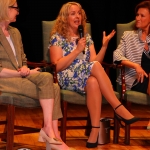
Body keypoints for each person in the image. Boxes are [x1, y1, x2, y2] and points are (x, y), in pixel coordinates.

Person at [49, 1, 140, 148]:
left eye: (79, 13)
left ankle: (94, 131)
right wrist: (77, 50)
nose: (77, 16)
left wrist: (104, 46)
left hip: (85, 77)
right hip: (66, 77)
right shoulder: (57, 37)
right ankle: (117, 107)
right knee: (94, 71)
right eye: (73, 14)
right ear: (65, 18)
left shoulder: (86, 36)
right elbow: (57, 66)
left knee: (93, 81)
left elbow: (94, 62)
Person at [0, 0, 75, 150]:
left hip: (19, 75)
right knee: (52, 88)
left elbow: (23, 59)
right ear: (4, 8)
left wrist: (25, 68)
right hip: (4, 79)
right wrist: (19, 72)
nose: (18, 11)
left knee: (49, 81)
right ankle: (52, 136)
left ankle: (52, 134)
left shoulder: (15, 32)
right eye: (15, 8)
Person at [113, 1, 150, 129]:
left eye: (142, 15)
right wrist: (135, 66)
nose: (137, 18)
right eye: (137, 15)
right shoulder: (129, 36)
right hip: (135, 80)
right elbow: (116, 56)